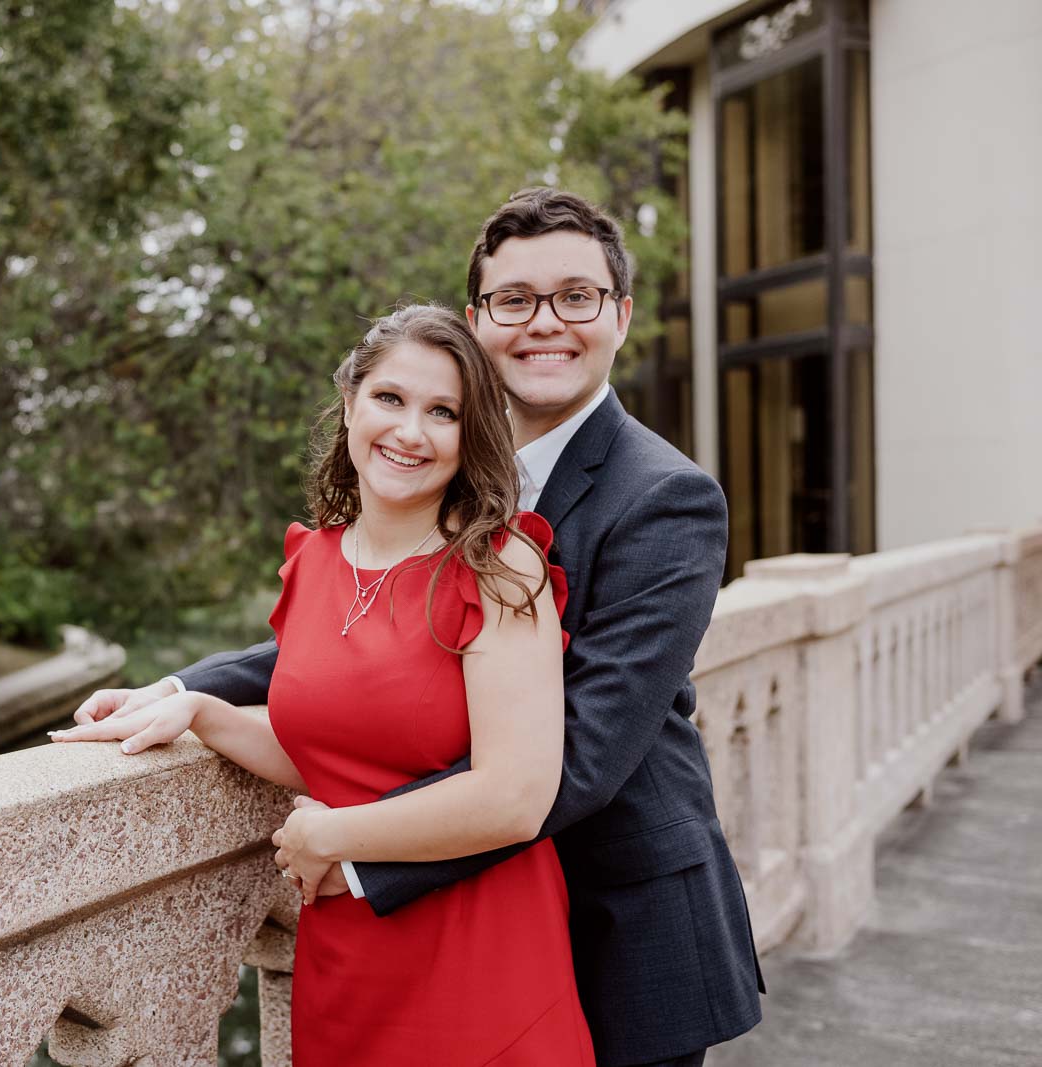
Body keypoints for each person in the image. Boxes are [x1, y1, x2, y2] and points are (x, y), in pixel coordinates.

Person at [69, 188, 763, 1067]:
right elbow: (370, 648)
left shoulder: (666, 497)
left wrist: (351, 847)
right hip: (415, 940)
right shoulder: (449, 476)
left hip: (615, 917)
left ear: (620, 316)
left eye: (576, 297)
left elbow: (579, 754)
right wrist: (188, 692)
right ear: (479, 322)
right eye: (514, 300)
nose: (544, 322)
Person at [53, 303, 597, 1064]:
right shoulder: (314, 562)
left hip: (482, 961)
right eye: (390, 399)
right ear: (349, 403)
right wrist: (202, 709)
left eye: (443, 412)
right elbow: (332, 750)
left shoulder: (499, 567)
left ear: (468, 438)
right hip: (347, 963)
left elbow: (516, 796)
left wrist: (332, 835)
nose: (410, 431)